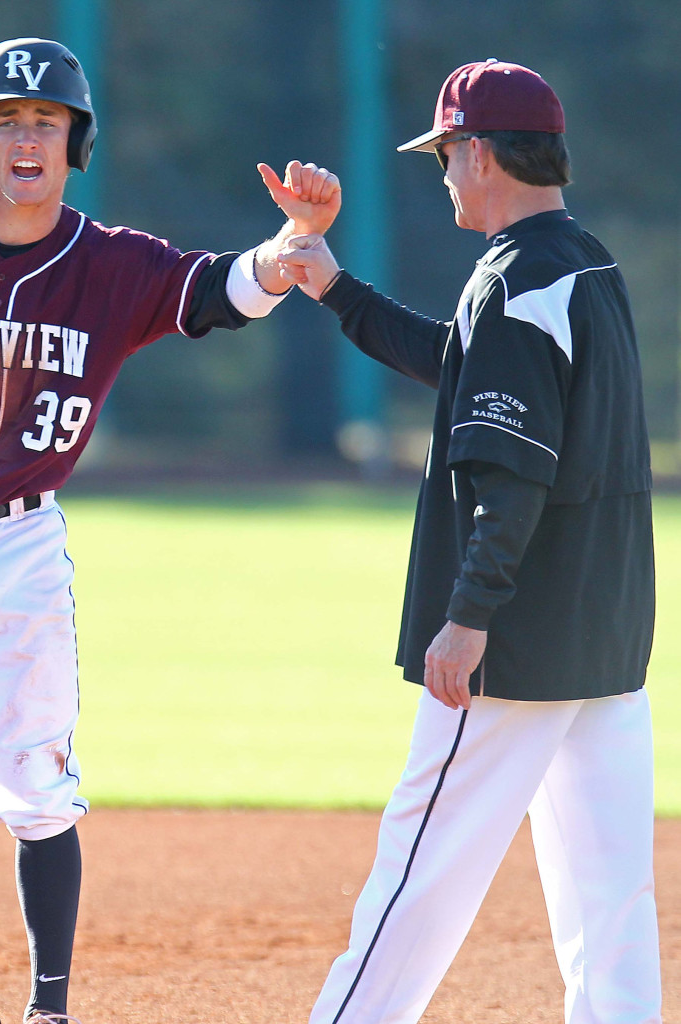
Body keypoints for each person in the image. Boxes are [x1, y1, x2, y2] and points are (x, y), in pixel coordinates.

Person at [0, 37, 340, 1024]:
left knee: (38, 780)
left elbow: (216, 292)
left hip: (20, 545)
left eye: (45, 122)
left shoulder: (109, 264)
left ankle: (48, 1010)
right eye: (6, 122)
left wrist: (283, 249)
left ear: (75, 141)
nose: (25, 139)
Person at [279, 59, 660, 1023]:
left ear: (480, 151)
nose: (443, 173)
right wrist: (334, 288)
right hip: (605, 637)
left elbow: (513, 473)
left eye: (446, 154)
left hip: (515, 644)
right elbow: (454, 363)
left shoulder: (516, 285)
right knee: (610, 904)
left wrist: (468, 616)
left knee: (419, 875)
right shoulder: (583, 266)